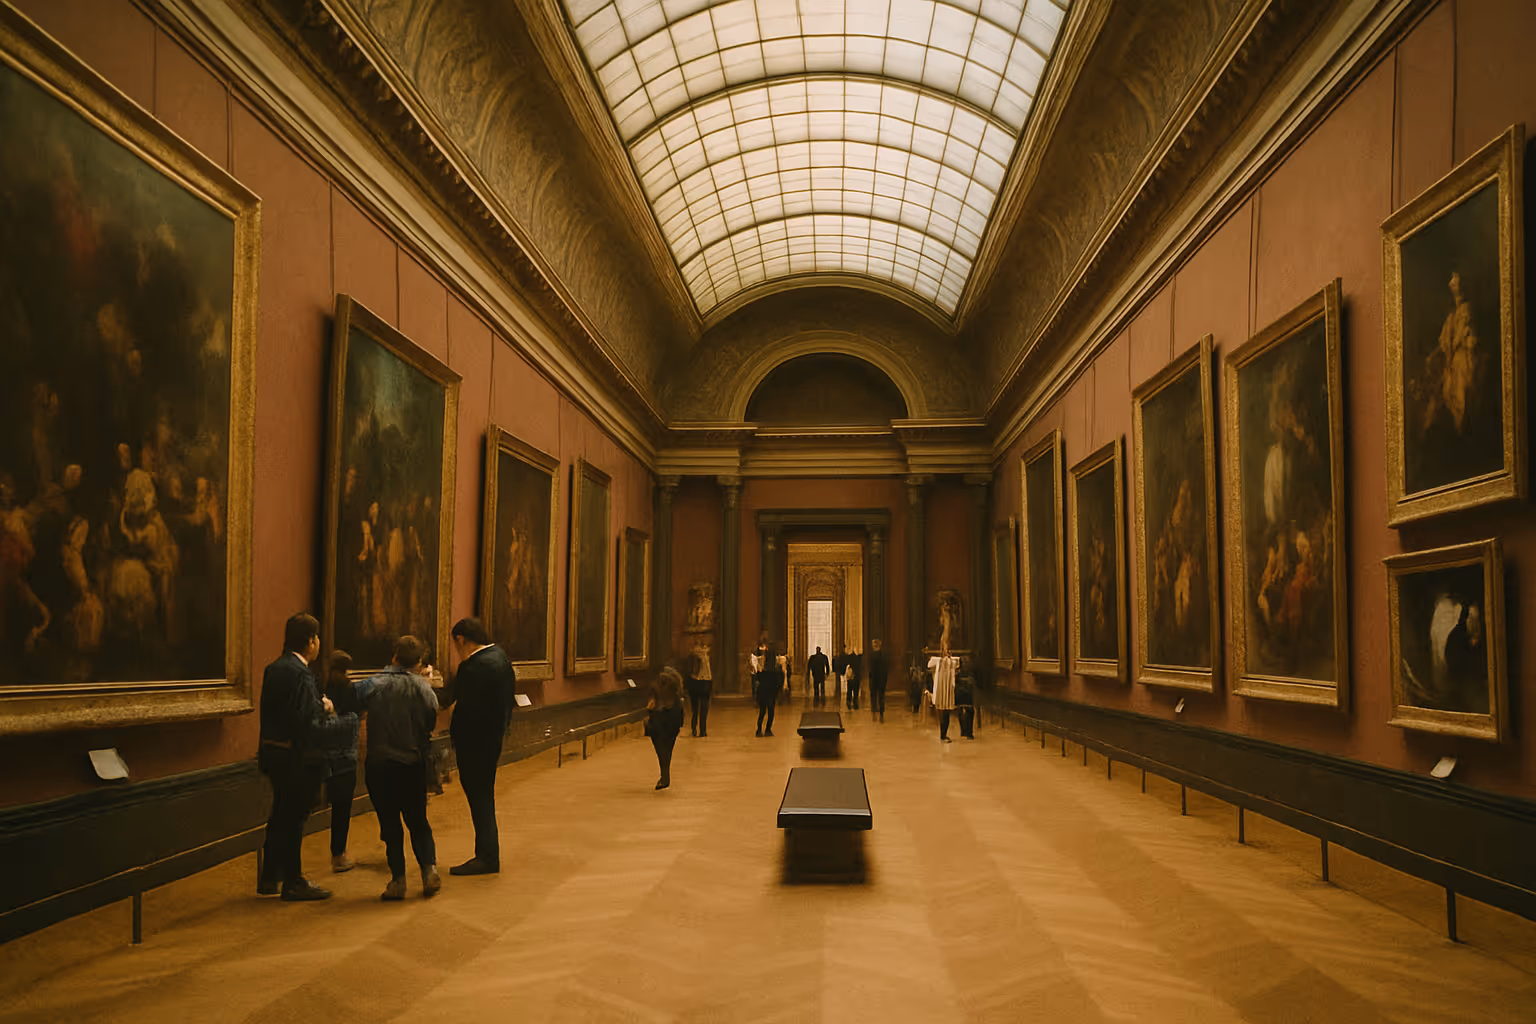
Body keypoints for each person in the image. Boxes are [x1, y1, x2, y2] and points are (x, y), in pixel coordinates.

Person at [257, 613, 345, 901]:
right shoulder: (301, 674)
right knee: (293, 818)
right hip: (298, 758)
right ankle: (293, 881)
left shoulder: (275, 668)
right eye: (317, 638)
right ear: (311, 641)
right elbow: (307, 722)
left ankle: (270, 876)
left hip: (273, 753)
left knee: (280, 814)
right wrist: (328, 712)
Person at [354, 635, 441, 900]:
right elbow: (430, 720)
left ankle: (398, 881)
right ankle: (428, 871)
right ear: (419, 662)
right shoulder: (423, 688)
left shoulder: (373, 684)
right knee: (418, 820)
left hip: (380, 763)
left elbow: (354, 702)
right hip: (412, 762)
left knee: (389, 822)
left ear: (394, 657)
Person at [440, 617, 518, 876]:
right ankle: (487, 854)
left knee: (480, 800)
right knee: (484, 797)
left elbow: (465, 709)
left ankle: (486, 857)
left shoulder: (473, 666)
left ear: (461, 639)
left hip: (473, 744)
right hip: (492, 740)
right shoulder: (501, 658)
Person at [322, 650, 361, 873]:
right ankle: (338, 854)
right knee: (342, 808)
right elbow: (355, 718)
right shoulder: (349, 689)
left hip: (322, 754)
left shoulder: (321, 686)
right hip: (345, 757)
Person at [646, 667, 687, 789]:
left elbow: (651, 705)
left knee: (660, 750)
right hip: (672, 722)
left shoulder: (654, 687)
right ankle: (665, 775)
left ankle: (665, 776)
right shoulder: (676, 690)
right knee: (668, 750)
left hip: (658, 721)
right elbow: (680, 710)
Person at [929, 643, 959, 741]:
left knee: (946, 714)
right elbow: (930, 665)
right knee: (944, 714)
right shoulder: (940, 662)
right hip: (942, 692)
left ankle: (943, 734)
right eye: (946, 651)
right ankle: (943, 734)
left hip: (948, 691)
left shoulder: (951, 662)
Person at [756, 641, 785, 736]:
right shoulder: (775, 672)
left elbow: (758, 680)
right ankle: (768, 729)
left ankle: (759, 730)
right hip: (770, 695)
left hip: (763, 694)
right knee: (770, 713)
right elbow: (778, 684)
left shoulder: (763, 671)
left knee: (762, 713)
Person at [684, 641, 712, 737]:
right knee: (695, 710)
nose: (702, 650)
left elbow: (710, 672)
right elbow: (689, 671)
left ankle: (702, 730)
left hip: (705, 682)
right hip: (696, 684)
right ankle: (694, 729)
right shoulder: (692, 658)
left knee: (704, 709)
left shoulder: (707, 658)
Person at [866, 639, 889, 720]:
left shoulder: (871, 655)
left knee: (873, 696)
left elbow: (870, 668)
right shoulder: (883, 655)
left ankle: (874, 713)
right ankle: (881, 713)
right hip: (881, 679)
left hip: (873, 679)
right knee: (881, 696)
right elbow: (886, 668)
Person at [844, 646, 863, 711]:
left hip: (851, 677)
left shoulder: (849, 658)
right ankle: (855, 704)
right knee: (855, 691)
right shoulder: (859, 658)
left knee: (849, 690)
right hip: (856, 677)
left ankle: (849, 702)